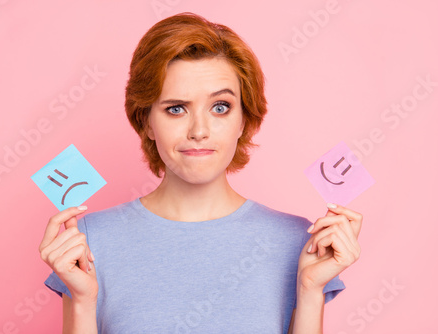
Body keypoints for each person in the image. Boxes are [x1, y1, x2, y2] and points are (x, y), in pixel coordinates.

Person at [39, 12, 362, 334]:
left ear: (244, 120)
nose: (199, 130)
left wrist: (309, 289)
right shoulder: (88, 240)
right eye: (176, 108)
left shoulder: (299, 242)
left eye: (220, 107)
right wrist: (82, 300)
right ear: (147, 122)